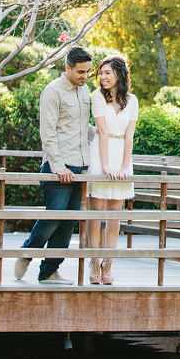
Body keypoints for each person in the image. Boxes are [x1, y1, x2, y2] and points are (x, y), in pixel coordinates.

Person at [15, 46, 92, 285]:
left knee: (68, 222)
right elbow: (47, 133)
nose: (85, 76)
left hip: (80, 165)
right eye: (80, 72)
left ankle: (49, 271)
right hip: (58, 167)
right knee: (53, 217)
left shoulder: (84, 89)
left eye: (88, 71)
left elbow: (82, 126)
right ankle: (28, 250)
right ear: (67, 67)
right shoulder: (52, 91)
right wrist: (59, 167)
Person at [86, 54, 138, 285]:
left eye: (108, 72)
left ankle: (109, 263)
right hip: (100, 151)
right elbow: (103, 132)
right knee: (97, 210)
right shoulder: (97, 96)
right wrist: (105, 166)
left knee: (115, 212)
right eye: (101, 73)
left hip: (121, 153)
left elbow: (130, 135)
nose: (103, 77)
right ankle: (94, 261)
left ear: (119, 74)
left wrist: (125, 166)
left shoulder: (132, 100)